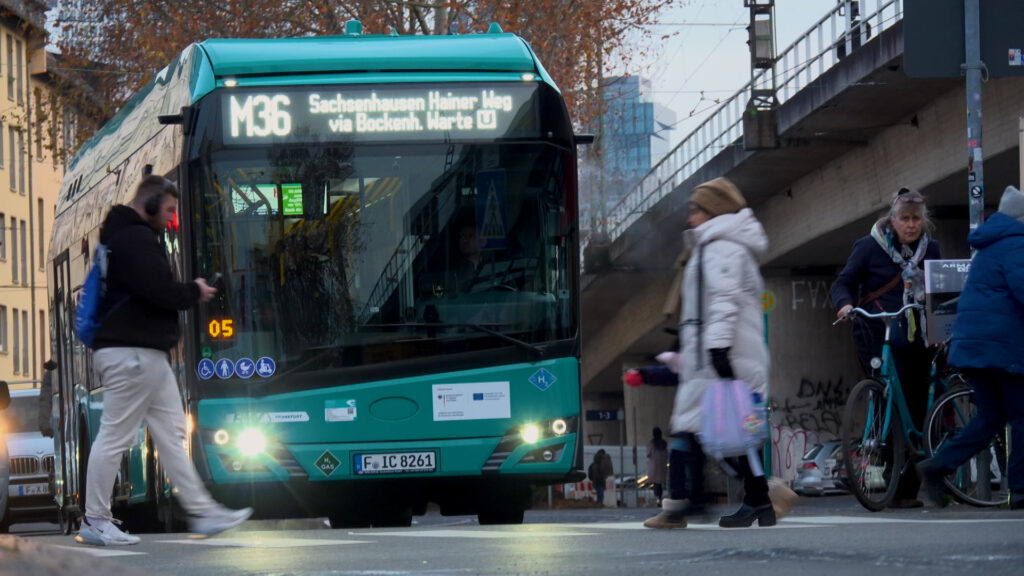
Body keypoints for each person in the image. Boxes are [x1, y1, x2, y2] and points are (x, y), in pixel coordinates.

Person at [77, 175, 253, 547]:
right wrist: (195, 290)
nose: (172, 218)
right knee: (115, 435)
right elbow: (158, 290)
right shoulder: (136, 240)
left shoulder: (120, 238)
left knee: (173, 434)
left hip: (144, 355)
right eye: (170, 209)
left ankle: (202, 511)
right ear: (151, 203)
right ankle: (94, 519)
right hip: (132, 354)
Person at [644, 177, 775, 529]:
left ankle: (742, 500)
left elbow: (723, 300)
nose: (690, 218)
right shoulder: (714, 245)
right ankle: (713, 501)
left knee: (726, 433)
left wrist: (718, 348)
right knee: (705, 431)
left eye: (695, 211)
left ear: (712, 211)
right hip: (714, 355)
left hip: (726, 354)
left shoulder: (721, 247)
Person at [831, 187, 941, 508]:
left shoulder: (930, 249)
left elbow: (940, 288)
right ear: (892, 220)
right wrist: (844, 306)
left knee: (917, 406)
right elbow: (844, 283)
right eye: (905, 219)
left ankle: (907, 488)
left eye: (916, 219)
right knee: (885, 397)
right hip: (877, 332)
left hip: (918, 335)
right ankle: (880, 469)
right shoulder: (868, 247)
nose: (911, 225)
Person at [917, 185, 1024, 510]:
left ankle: (936, 467)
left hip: (975, 345)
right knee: (1021, 416)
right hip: (1001, 348)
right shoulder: (1017, 245)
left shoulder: (988, 246)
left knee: (991, 418)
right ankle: (1020, 489)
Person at [646, 427, 668, 506]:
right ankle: (660, 497)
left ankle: (657, 498)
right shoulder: (664, 443)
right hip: (662, 465)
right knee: (660, 483)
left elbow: (648, 454)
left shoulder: (652, 443)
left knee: (656, 483)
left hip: (654, 466)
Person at [37, 359, 57, 437]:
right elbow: (45, 400)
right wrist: (44, 426)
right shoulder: (51, 372)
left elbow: (45, 400)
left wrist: (44, 425)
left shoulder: (51, 371)